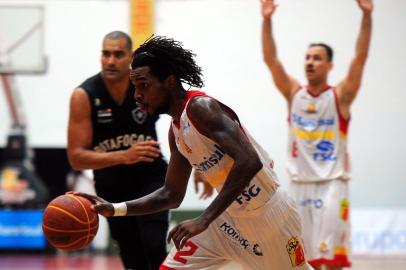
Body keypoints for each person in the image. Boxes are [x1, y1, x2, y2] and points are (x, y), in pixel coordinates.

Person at [74, 36, 313, 270]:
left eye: (144, 86)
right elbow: (170, 194)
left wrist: (203, 219)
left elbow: (249, 162)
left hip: (269, 216)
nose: (137, 95)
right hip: (228, 221)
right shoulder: (175, 130)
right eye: (135, 87)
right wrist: (116, 208)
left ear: (169, 81)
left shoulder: (201, 108)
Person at [261, 0, 373, 269]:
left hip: (333, 184)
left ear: (329, 65)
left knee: (332, 259)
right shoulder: (293, 93)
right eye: (307, 58)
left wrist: (367, 16)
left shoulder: (341, 95)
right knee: (301, 259)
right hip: (299, 185)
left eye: (317, 58)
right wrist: (266, 21)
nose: (310, 62)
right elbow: (271, 60)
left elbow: (360, 59)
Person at [67, 31, 169, 270]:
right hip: (111, 186)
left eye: (118, 54)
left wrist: (201, 168)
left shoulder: (146, 87)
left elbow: (180, 122)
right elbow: (76, 158)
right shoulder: (84, 95)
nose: (111, 60)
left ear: (131, 57)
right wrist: (125, 156)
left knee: (154, 244)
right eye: (106, 53)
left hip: (151, 178)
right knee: (132, 256)